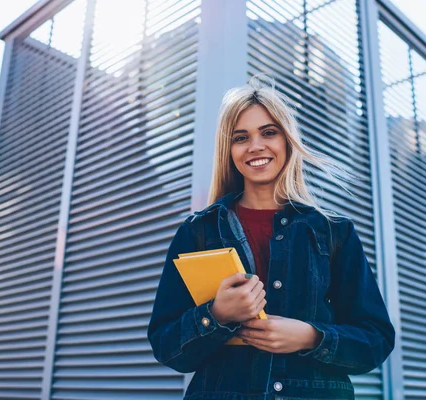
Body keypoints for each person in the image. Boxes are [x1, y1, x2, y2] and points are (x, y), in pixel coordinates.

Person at [148, 75, 395, 400]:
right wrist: (216, 315)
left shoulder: (334, 232)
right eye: (241, 137)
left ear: (287, 140)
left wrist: (310, 337)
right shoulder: (197, 232)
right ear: (229, 149)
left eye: (268, 132)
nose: (256, 146)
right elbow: (167, 347)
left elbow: (375, 339)